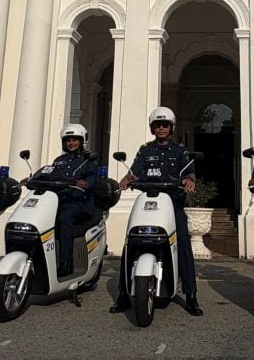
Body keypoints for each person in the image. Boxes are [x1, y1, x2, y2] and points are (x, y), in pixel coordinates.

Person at [110, 106, 203, 316]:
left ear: (171, 128)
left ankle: (191, 296)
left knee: (184, 244)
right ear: (152, 128)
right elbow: (135, 172)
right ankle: (124, 293)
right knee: (130, 240)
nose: (161, 128)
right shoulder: (145, 151)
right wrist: (126, 179)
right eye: (157, 125)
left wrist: (189, 180)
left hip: (172, 204)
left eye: (165, 125)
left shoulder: (180, 150)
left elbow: (189, 173)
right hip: (148, 202)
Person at [41, 123, 97, 278]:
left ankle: (66, 263)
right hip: (59, 202)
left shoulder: (88, 160)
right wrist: (33, 179)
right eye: (68, 140)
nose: (71, 143)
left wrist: (85, 183)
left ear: (81, 141)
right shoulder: (59, 160)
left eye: (74, 139)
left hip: (79, 203)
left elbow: (92, 178)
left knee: (64, 218)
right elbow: (49, 175)